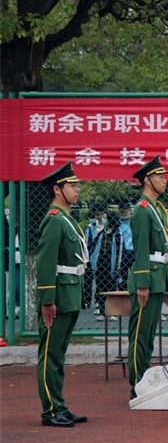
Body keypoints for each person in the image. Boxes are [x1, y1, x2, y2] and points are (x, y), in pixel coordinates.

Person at [35, 162, 89, 427]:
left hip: (69, 294)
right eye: (72, 185)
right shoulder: (54, 220)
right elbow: (46, 262)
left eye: (77, 185)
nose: (77, 189)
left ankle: (59, 405)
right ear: (57, 189)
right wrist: (47, 300)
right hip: (57, 298)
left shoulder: (66, 219)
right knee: (50, 356)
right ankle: (50, 410)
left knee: (58, 354)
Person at [127, 155, 168, 399]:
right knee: (140, 335)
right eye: (160, 176)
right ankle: (136, 384)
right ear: (147, 180)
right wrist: (142, 282)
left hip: (157, 278)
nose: (165, 180)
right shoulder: (143, 211)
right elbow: (141, 249)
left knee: (149, 334)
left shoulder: (157, 209)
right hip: (147, 280)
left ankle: (143, 380)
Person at [90, 210, 123, 320]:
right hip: (100, 264)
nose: (103, 219)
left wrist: (118, 266)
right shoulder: (101, 234)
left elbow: (120, 252)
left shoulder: (117, 235)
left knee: (112, 288)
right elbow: (93, 246)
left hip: (111, 266)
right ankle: (102, 312)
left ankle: (112, 312)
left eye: (106, 218)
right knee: (100, 287)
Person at [83, 202, 106, 309]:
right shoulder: (90, 227)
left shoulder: (108, 228)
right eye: (97, 214)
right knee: (88, 280)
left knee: (100, 280)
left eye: (102, 214)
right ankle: (87, 299)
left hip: (102, 258)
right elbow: (86, 242)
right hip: (91, 256)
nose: (100, 217)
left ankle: (98, 300)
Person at [118, 203, 134, 288]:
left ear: (130, 211)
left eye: (125, 210)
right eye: (122, 211)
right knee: (122, 276)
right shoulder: (118, 223)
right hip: (122, 251)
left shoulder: (134, 222)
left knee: (134, 275)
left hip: (133, 250)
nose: (123, 212)